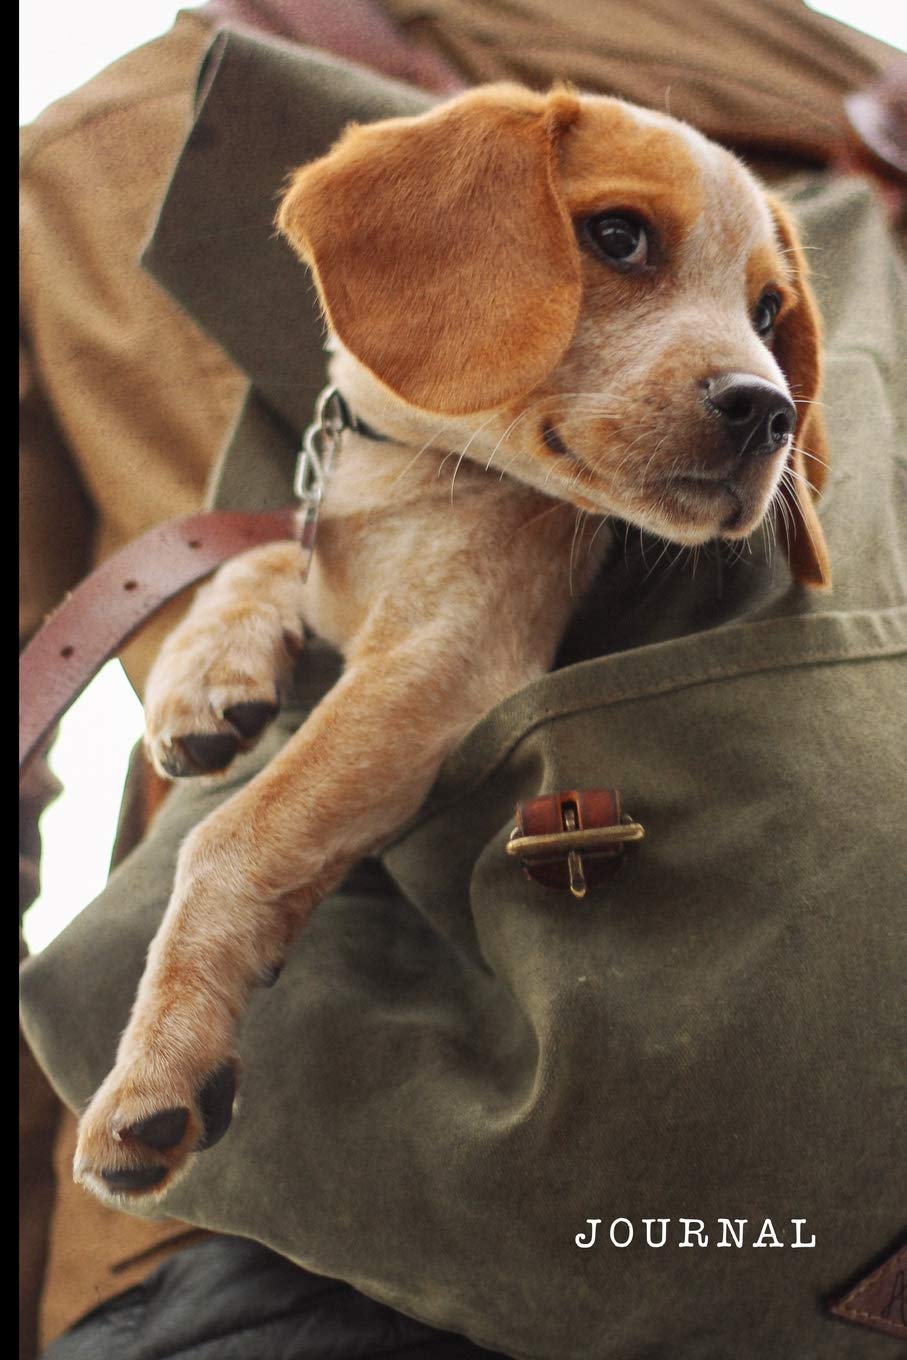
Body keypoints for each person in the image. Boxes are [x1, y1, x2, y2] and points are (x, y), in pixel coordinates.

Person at [19, 3, 905, 1356]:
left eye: (768, 323)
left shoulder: (112, 134)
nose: (756, 387)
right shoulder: (852, 85)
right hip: (816, 1227)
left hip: (269, 1224)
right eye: (618, 239)